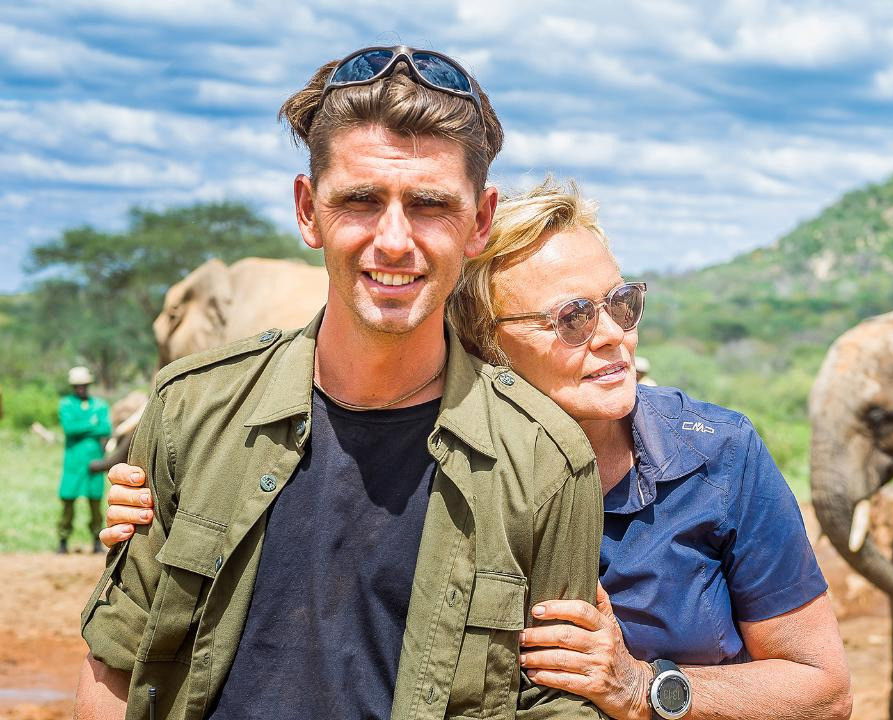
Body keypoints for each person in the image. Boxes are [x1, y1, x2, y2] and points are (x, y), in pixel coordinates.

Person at [103, 180, 854, 720]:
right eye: (572, 317)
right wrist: (167, 506)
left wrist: (643, 688)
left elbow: (824, 689)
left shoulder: (717, 457)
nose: (613, 336)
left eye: (623, 303)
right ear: (486, 345)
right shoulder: (429, 463)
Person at [75, 47, 606, 720]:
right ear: (308, 210)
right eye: (360, 200)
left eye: (430, 205)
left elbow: (559, 706)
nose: (394, 240)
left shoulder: (546, 461)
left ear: (479, 222)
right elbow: (116, 660)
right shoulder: (191, 412)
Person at [58, 366, 111, 554]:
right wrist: (92, 423)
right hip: (73, 463)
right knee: (68, 501)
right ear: (73, 386)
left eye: (84, 385)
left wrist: (82, 426)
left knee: (95, 502)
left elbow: (106, 429)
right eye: (77, 385)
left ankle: (96, 541)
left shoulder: (100, 405)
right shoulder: (66, 404)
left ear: (88, 385)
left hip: (94, 463)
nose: (81, 388)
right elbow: (69, 429)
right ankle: (63, 540)